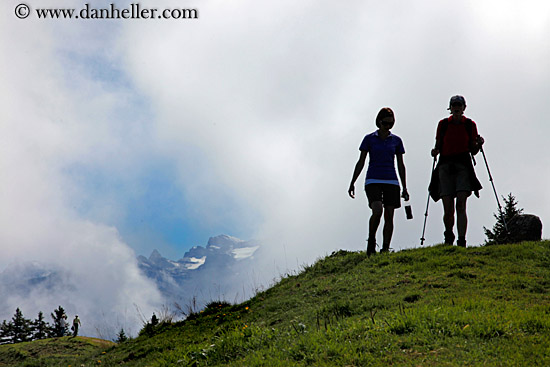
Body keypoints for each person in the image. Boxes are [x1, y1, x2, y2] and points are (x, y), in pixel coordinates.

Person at [348, 107, 409, 255]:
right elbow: (361, 161)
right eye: (385, 123)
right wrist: (353, 182)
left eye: (391, 123)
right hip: (373, 179)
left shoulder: (396, 141)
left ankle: (386, 248)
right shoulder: (369, 139)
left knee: (389, 214)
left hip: (391, 180)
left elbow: (401, 164)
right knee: (377, 210)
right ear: (379, 122)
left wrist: (405, 187)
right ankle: (371, 241)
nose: (388, 126)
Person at [429, 95, 484, 247]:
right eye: (454, 105)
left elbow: (472, 150)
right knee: (448, 206)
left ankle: (461, 240)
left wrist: (478, 145)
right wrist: (435, 151)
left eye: (459, 105)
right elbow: (438, 145)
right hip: (446, 165)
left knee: (460, 204)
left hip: (462, 165)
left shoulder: (470, 125)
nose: (457, 108)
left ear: (464, 107)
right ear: (450, 108)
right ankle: (449, 235)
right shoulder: (443, 124)